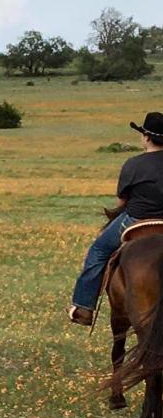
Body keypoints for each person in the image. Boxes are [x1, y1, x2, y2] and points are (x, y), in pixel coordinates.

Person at [68, 112, 163, 326]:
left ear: (146, 137)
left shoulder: (133, 164)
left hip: (136, 220)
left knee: (99, 251)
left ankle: (83, 307)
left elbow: (122, 202)